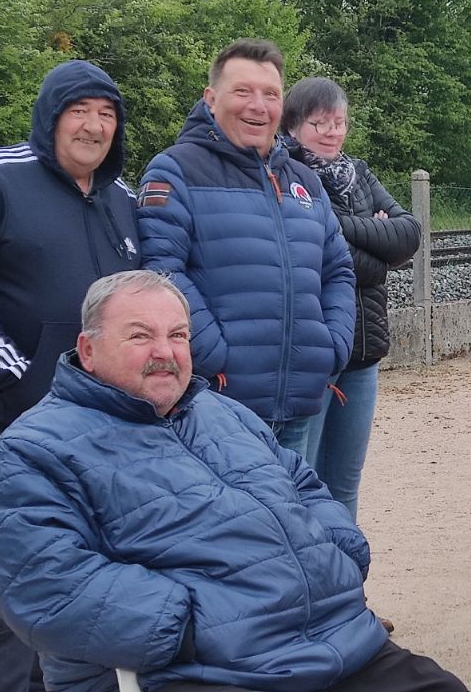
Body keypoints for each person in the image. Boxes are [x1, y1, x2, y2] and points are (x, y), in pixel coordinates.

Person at [0, 270, 468, 692]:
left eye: (178, 335)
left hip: (343, 641)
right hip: (217, 669)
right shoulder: (33, 451)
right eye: (140, 336)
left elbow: (306, 486)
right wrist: (193, 623)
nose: (164, 352)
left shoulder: (219, 411)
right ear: (89, 349)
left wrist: (339, 556)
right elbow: (49, 588)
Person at [0, 59, 140, 692]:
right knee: (1, 556)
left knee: (91, 549)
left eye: (107, 114)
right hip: (9, 417)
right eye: (80, 110)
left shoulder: (123, 203)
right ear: (50, 116)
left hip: (103, 422)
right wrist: (13, 375)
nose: (94, 125)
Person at [136, 39, 356, 455]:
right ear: (211, 99)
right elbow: (161, 272)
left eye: (270, 94)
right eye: (243, 92)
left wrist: (331, 346)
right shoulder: (176, 170)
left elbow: (338, 270)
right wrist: (215, 356)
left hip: (299, 403)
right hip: (216, 405)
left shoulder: (304, 180)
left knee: (294, 518)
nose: (258, 105)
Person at [280, 77, 421, 517]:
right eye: (320, 123)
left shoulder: (357, 173)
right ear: (294, 126)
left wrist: (339, 228)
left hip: (364, 350)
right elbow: (314, 251)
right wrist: (376, 252)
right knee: (305, 482)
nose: (332, 132)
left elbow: (408, 235)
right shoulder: (285, 176)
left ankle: (344, 576)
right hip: (316, 351)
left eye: (339, 122)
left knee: (344, 484)